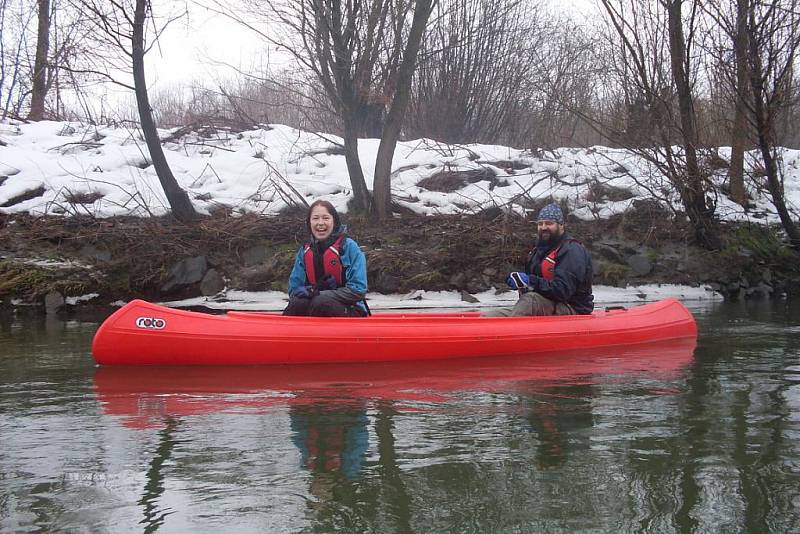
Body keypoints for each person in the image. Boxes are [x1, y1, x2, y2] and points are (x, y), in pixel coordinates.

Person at [488, 202, 593, 316]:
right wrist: (521, 282)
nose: (543, 227)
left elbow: (563, 291)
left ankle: (513, 331)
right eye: (540, 224)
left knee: (530, 301)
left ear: (561, 225)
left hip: (571, 307)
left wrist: (531, 281)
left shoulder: (571, 250)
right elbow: (537, 284)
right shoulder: (538, 251)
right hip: (546, 304)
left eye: (549, 223)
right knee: (492, 315)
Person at [283, 200, 368, 317]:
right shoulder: (304, 251)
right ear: (309, 223)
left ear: (334, 221)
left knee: (321, 302)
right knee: (298, 303)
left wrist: (321, 294)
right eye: (315, 218)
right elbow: (294, 291)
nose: (320, 223)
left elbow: (358, 290)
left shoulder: (349, 247)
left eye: (325, 218)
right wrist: (311, 290)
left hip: (351, 308)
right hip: (317, 303)